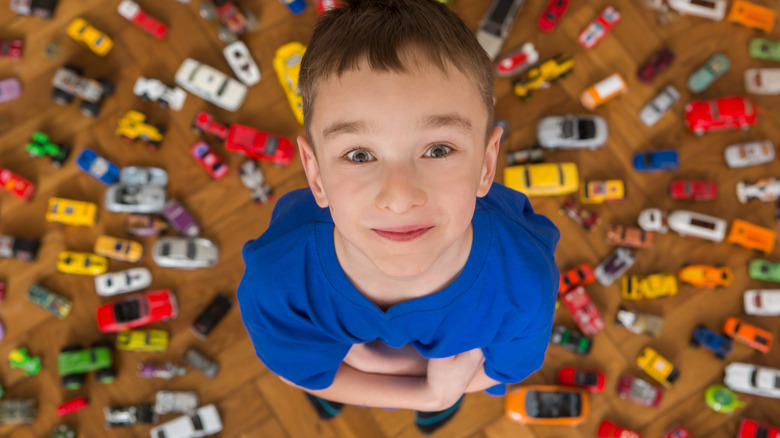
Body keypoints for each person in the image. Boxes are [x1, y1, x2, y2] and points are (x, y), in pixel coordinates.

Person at [236, 0, 560, 434]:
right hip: (418, 371)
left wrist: (364, 365)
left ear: (486, 165)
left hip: (372, 357)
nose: (399, 197)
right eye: (359, 154)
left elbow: (505, 368)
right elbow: (294, 368)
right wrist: (432, 393)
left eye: (438, 150)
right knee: (322, 382)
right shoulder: (278, 275)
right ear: (316, 175)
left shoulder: (525, 277)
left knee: (328, 375)